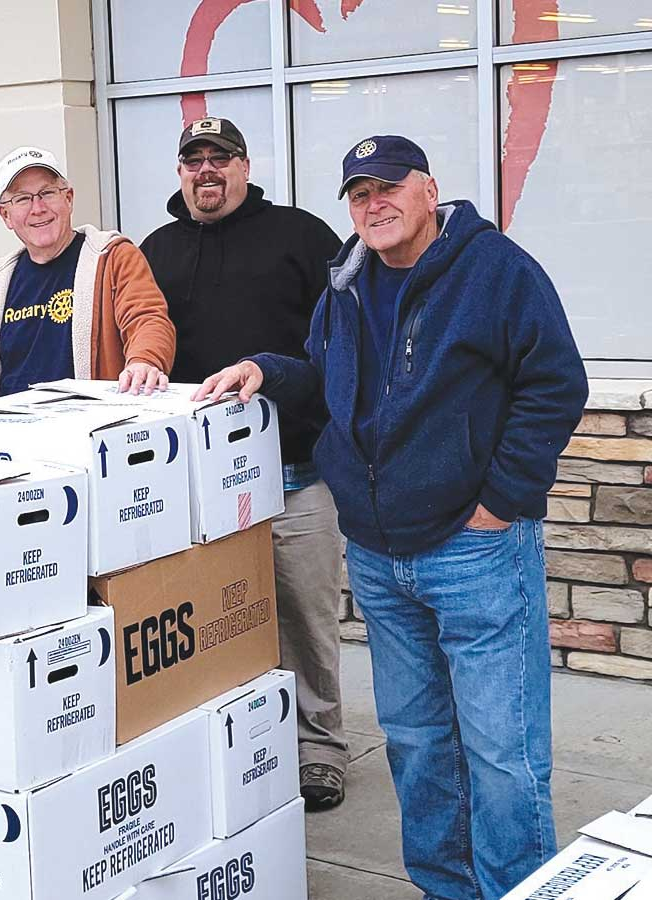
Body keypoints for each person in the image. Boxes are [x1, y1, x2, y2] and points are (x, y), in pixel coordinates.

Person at [195, 135, 588, 899]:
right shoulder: (346, 280)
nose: (372, 204)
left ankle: (516, 888)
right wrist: (266, 370)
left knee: (503, 751)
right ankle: (445, 887)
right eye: (357, 193)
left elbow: (556, 383)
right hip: (377, 555)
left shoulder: (495, 272)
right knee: (416, 743)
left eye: (387, 187)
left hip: (475, 551)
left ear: (429, 190)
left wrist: (500, 502)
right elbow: (324, 375)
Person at [140, 117, 349, 811]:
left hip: (294, 470)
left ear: (245, 165)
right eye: (193, 159)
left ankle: (319, 748)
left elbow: (343, 345)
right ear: (179, 173)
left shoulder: (300, 235)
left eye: (220, 158)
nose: (206, 170)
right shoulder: (157, 250)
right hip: (198, 485)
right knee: (215, 625)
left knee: (305, 619)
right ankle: (237, 748)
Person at [0, 146, 176, 398]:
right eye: (22, 199)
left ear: (69, 198)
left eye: (47, 193)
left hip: (89, 429)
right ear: (5, 215)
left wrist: (144, 361)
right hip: (11, 433)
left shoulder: (114, 257)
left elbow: (147, 318)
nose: (37, 208)